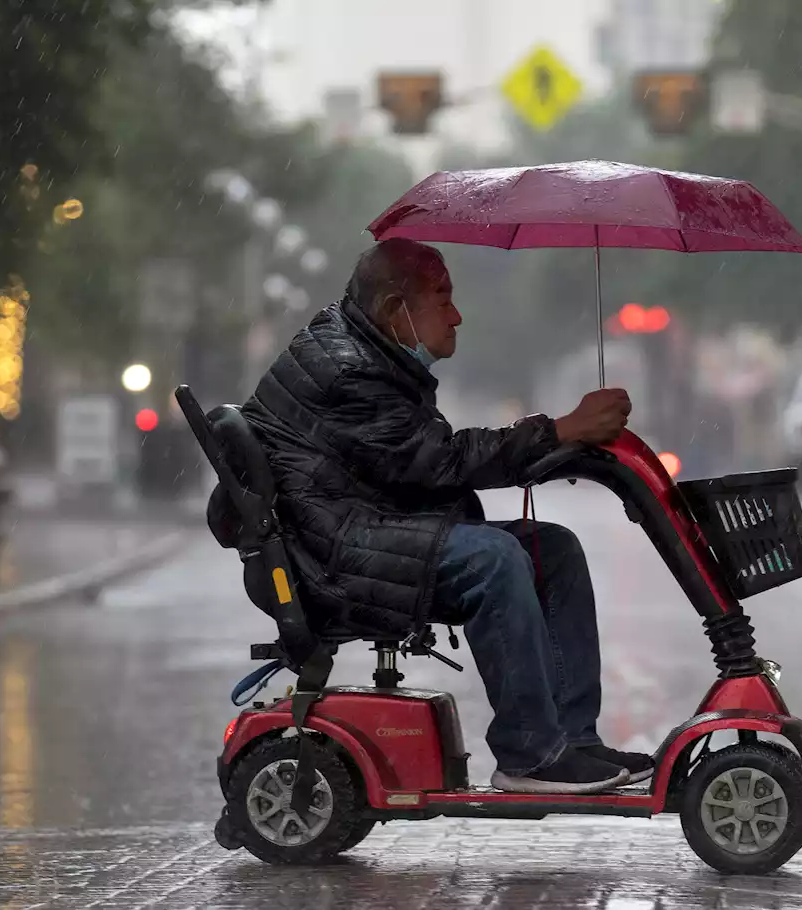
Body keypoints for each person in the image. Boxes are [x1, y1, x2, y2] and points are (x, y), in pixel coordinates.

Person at [242, 238, 654, 794]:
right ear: (396, 311)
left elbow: (416, 457)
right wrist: (561, 430)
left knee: (552, 550)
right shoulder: (349, 371)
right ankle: (529, 753)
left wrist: (550, 439)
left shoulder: (363, 347)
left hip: (363, 524)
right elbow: (438, 461)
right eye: (443, 298)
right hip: (336, 554)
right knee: (496, 560)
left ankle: (573, 742)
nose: (457, 315)